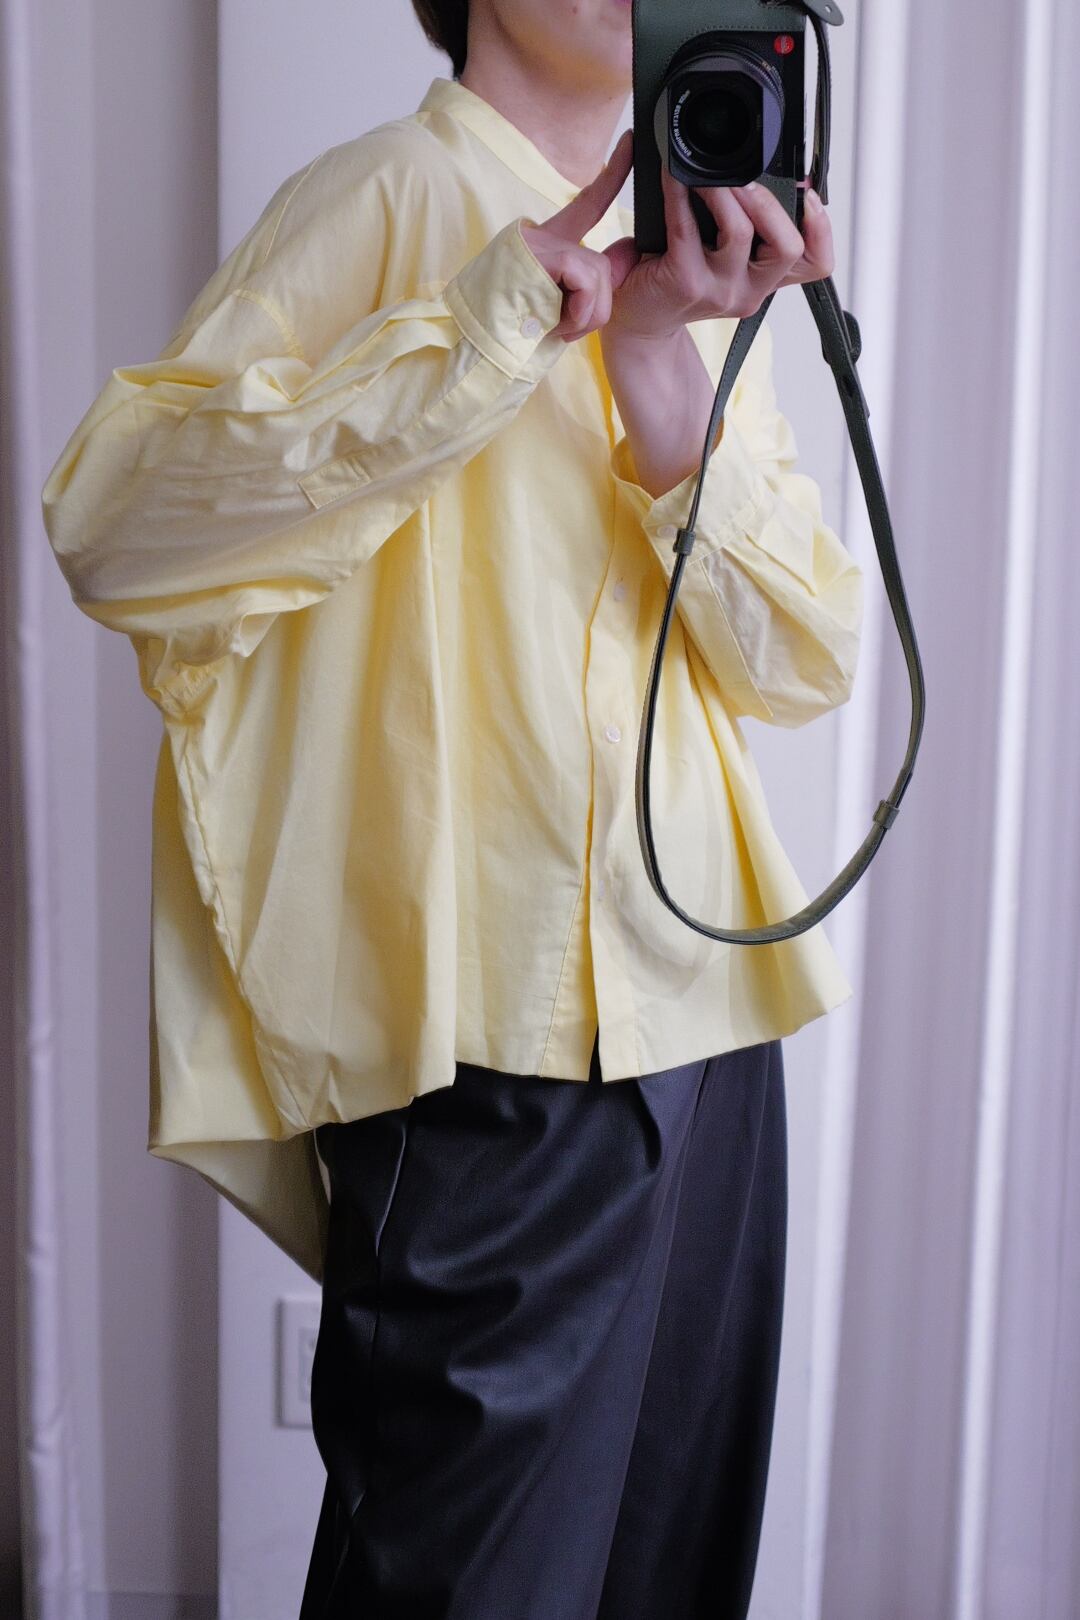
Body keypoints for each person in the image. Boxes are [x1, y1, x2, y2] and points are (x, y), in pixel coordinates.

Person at [40, 0, 862, 1614]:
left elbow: (806, 658)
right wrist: (489, 328)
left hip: (712, 1017)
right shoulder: (382, 198)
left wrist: (656, 364)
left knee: (666, 1576)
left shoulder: (688, 256)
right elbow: (118, 526)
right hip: (488, 1045)